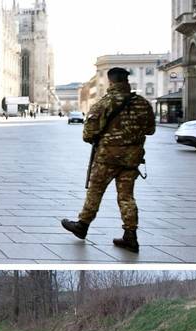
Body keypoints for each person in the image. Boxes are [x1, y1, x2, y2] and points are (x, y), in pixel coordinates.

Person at [62, 67, 156, 253]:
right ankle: (130, 236)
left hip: (106, 159)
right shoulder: (142, 104)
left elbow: (88, 134)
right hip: (131, 160)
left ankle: (82, 226)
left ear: (110, 82)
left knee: (95, 192)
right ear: (127, 81)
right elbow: (150, 130)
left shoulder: (102, 104)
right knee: (126, 197)